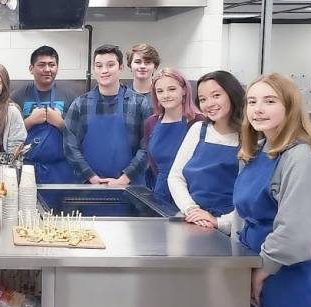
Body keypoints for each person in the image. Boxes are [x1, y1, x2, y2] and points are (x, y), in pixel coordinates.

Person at [186, 73, 311, 307]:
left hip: (286, 274)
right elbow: (242, 214)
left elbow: (298, 234)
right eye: (252, 102)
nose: (258, 109)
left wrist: (262, 271)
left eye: (270, 101)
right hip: (251, 265)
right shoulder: (254, 153)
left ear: (290, 107)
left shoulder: (302, 157)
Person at [63, 44, 152, 186]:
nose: (104, 70)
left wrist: (125, 179)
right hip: (90, 189)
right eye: (99, 66)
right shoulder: (80, 105)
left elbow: (148, 146)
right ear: (94, 69)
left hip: (130, 190)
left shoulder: (140, 104)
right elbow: (70, 147)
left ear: (121, 68)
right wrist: (91, 177)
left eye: (110, 65)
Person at [168, 71, 244, 226]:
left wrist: (219, 222)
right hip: (194, 220)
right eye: (203, 99)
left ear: (232, 94)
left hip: (231, 227)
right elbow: (175, 176)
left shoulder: (250, 138)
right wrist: (191, 209)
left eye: (216, 96)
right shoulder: (198, 130)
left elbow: (250, 198)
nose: (209, 104)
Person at [12, 45, 77, 187]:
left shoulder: (70, 96)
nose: (47, 69)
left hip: (61, 171)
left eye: (51, 65)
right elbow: (8, 134)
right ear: (31, 68)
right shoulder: (17, 96)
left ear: (57, 68)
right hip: (26, 169)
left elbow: (79, 136)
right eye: (41, 65)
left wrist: (60, 123)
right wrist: (29, 121)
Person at [142, 68, 203, 204]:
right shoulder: (151, 123)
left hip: (192, 196)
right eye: (160, 91)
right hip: (161, 194)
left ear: (184, 90)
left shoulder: (199, 122)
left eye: (172, 89)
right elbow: (152, 165)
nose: (166, 95)